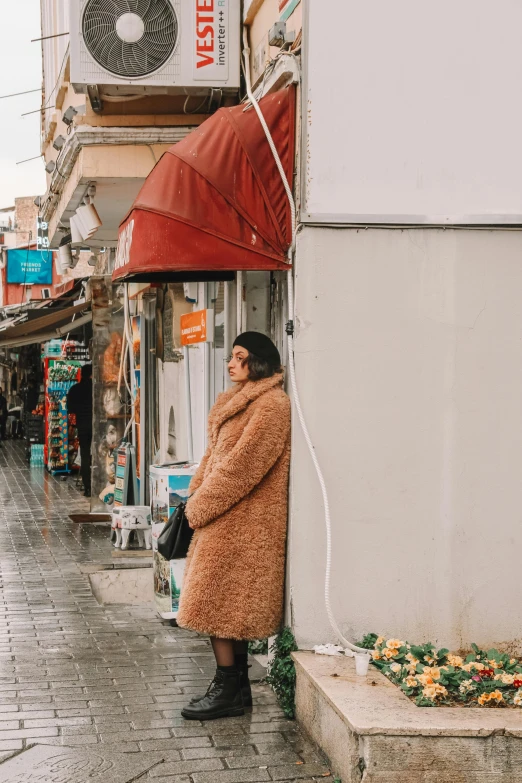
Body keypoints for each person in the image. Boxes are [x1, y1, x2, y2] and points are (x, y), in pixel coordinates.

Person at [177, 332, 291, 721]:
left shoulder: (272, 405)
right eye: (231, 356)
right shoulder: (238, 402)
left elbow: (244, 467)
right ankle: (237, 689)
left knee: (221, 604)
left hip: (246, 521)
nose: (230, 363)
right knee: (224, 606)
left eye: (238, 357)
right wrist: (194, 498)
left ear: (257, 361)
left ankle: (226, 689)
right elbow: (214, 459)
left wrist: (199, 507)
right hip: (223, 516)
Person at [67, 364, 93, 497]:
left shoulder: (74, 389)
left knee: (84, 456)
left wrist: (73, 425)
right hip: (97, 425)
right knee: (100, 454)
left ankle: (88, 487)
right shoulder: (96, 388)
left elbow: (70, 410)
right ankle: (100, 484)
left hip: (82, 426)